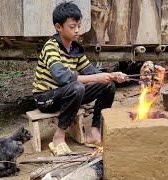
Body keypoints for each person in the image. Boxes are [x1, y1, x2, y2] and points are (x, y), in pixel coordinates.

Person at [32, 2, 127, 156]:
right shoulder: (51, 46)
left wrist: (113, 76)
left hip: (67, 94)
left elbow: (91, 71)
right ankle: (58, 136)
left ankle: (95, 132)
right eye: (72, 26)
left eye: (78, 26)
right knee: (77, 87)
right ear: (58, 27)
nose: (77, 30)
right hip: (45, 98)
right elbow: (61, 76)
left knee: (107, 85)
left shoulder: (75, 48)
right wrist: (96, 77)